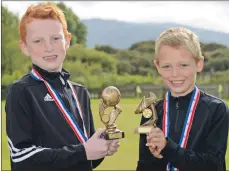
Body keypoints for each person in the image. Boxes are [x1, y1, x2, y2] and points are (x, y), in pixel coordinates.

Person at [5, 2, 120, 171]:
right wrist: (84, 151)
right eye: (38, 41)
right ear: (24, 47)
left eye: (55, 38)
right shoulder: (21, 91)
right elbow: (21, 157)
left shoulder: (80, 92)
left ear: (67, 40)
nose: (49, 47)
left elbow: (86, 160)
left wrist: (100, 149)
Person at [136, 27, 229, 171]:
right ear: (157, 66)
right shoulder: (151, 111)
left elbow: (214, 165)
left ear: (199, 64)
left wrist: (168, 149)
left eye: (183, 65)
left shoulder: (216, 109)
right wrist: (156, 157)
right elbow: (143, 165)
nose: (175, 74)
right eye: (166, 66)